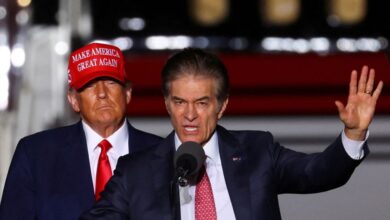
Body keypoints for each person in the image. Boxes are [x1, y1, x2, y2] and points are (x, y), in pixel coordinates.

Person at [80, 48, 383, 220]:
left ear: (222, 105)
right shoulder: (137, 171)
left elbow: (318, 173)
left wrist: (353, 134)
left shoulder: (256, 151)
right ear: (166, 104)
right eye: (179, 102)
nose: (189, 115)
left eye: (201, 103)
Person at [0, 42, 162, 220]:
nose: (102, 93)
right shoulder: (35, 155)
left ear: (128, 93)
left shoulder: (164, 155)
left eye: (111, 82)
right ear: (73, 100)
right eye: (90, 85)